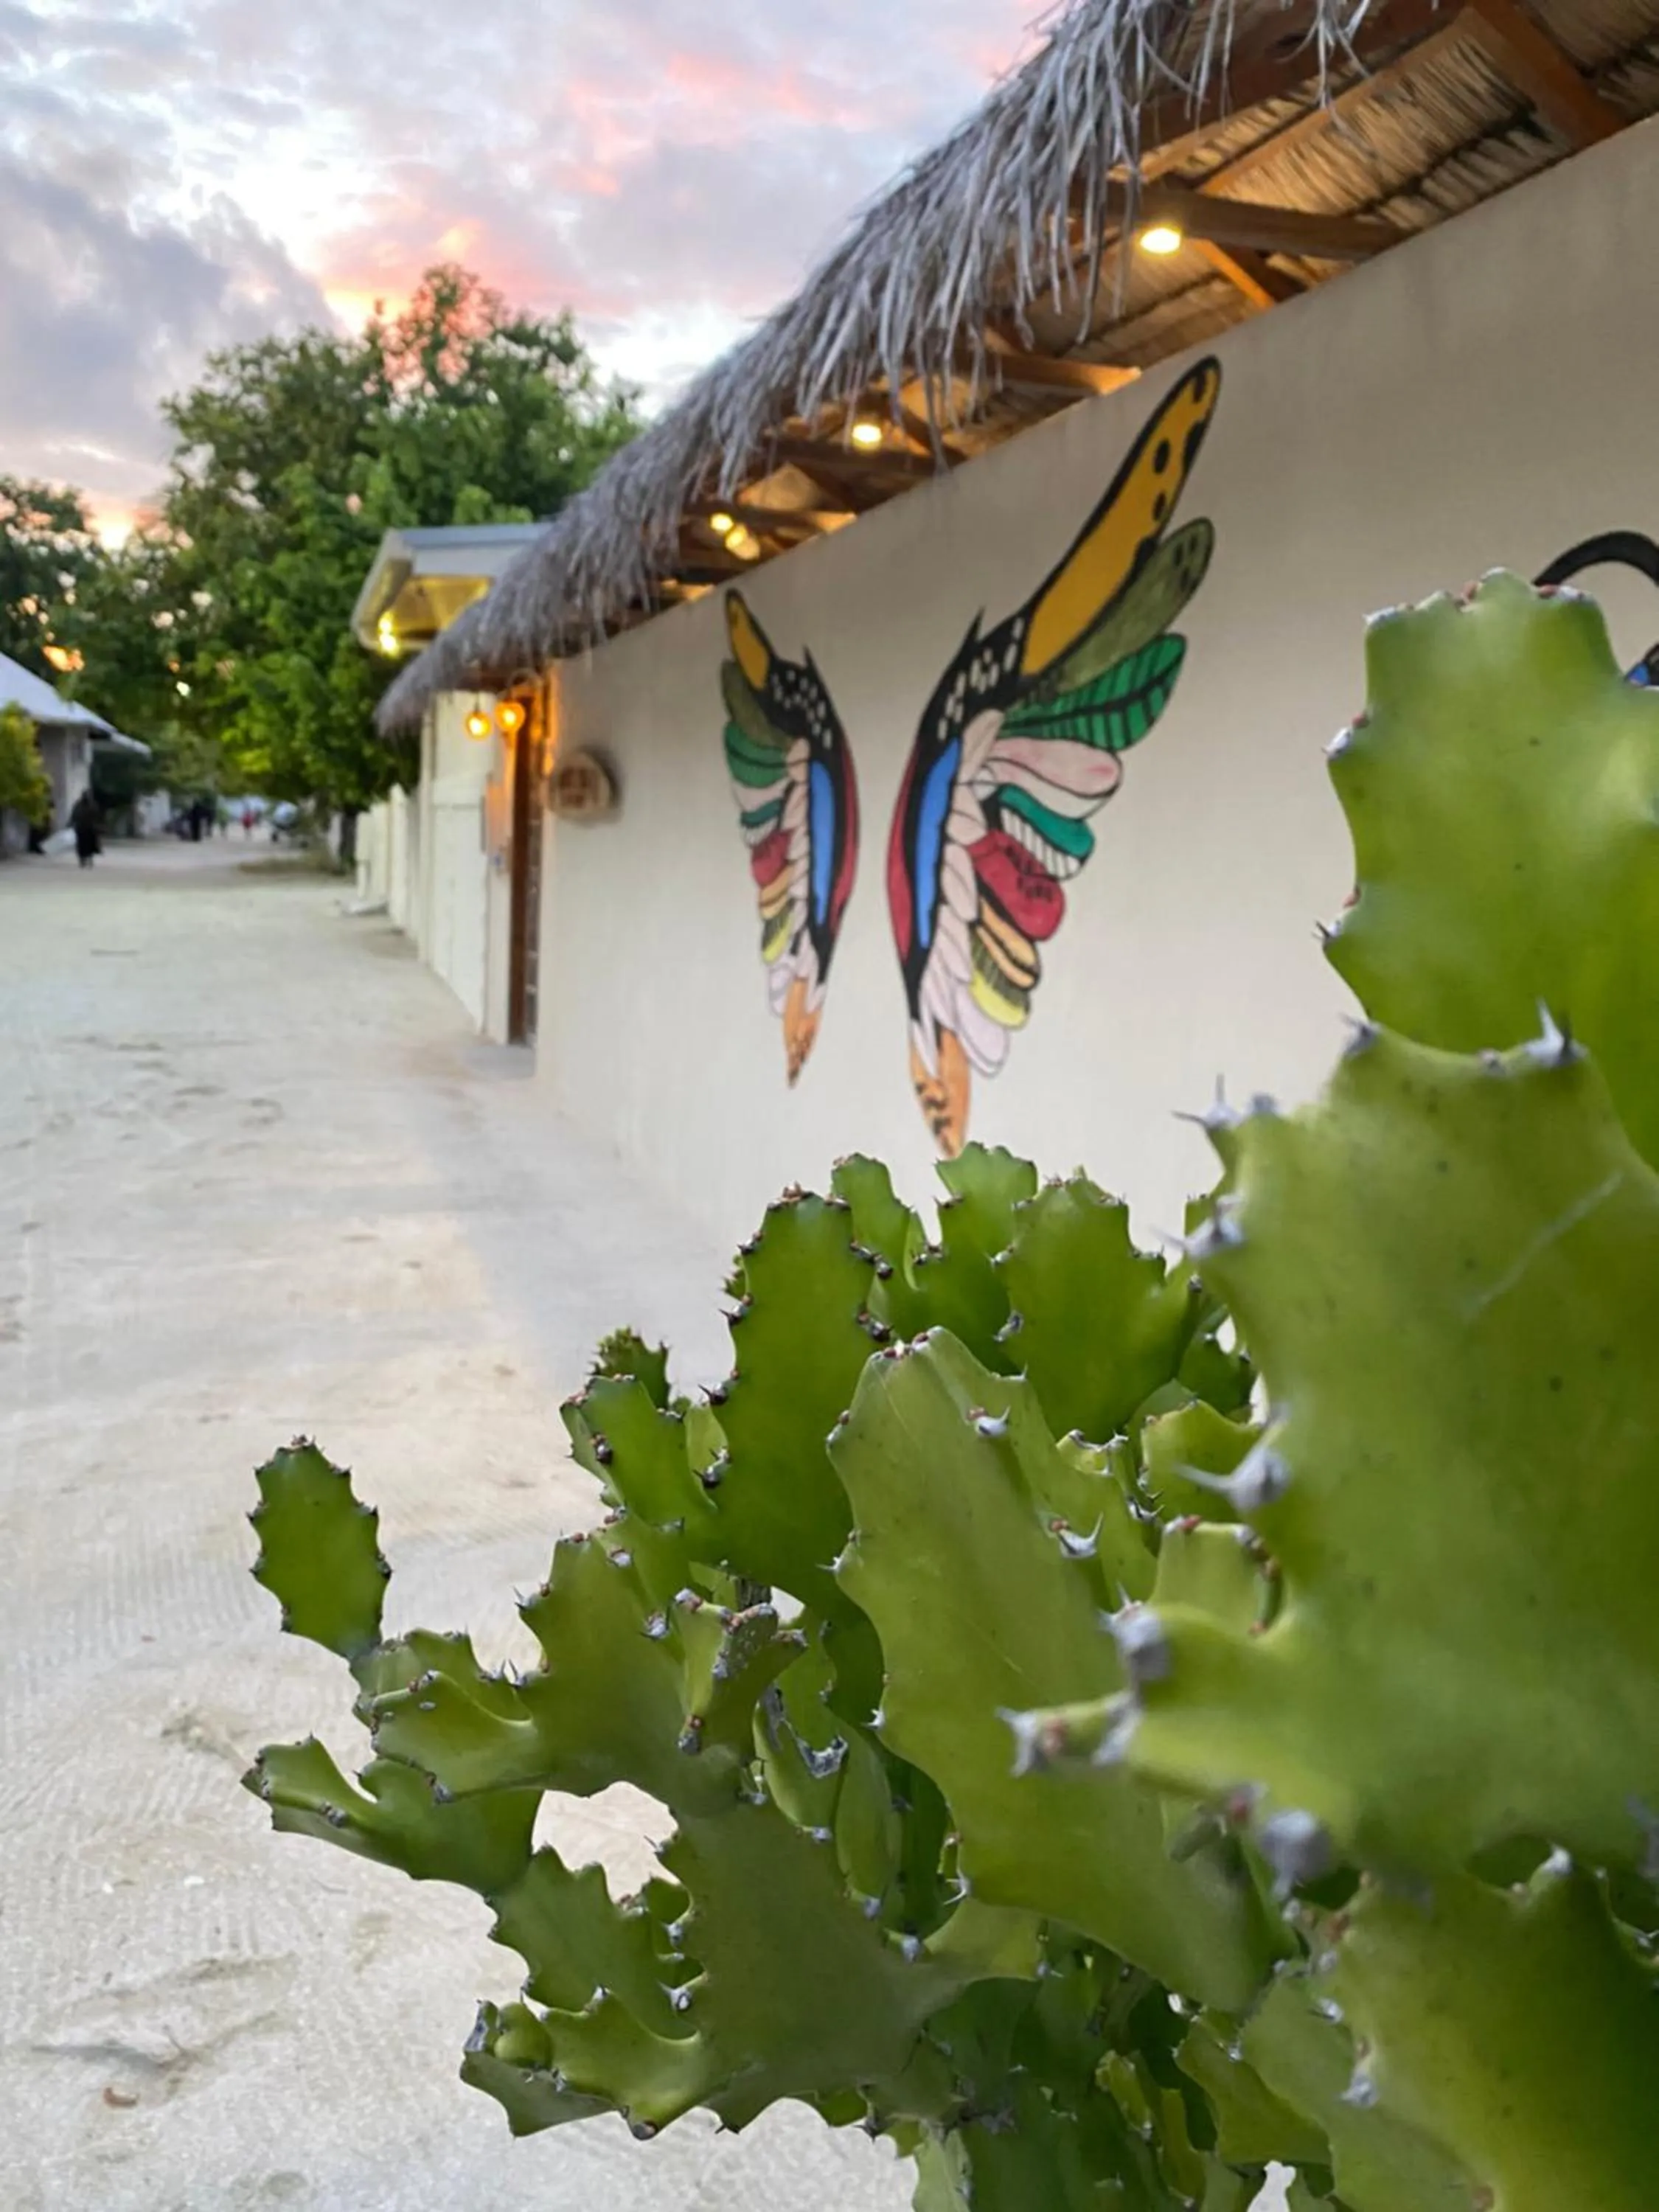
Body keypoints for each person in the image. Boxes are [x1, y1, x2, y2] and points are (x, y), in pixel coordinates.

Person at [69, 787, 101, 869]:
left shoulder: (92, 805)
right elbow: (74, 815)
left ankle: (89, 859)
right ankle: (82, 860)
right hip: (81, 829)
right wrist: (72, 823)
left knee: (90, 846)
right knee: (81, 846)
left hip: (90, 829)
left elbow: (97, 816)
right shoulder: (79, 805)